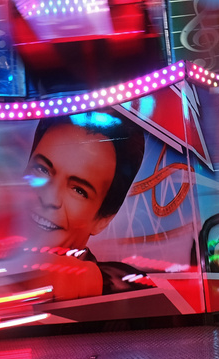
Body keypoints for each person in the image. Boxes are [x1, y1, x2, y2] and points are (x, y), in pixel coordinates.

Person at [20, 112, 146, 299]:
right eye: (42, 169)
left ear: (104, 219)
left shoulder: (123, 291)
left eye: (78, 190)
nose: (49, 198)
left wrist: (98, 290)